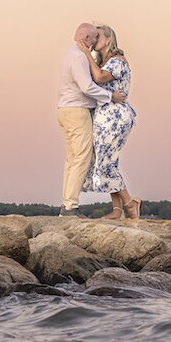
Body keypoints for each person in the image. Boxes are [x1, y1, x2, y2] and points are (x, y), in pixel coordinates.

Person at [57, 23, 126, 216]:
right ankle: (71, 206)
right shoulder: (79, 56)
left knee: (72, 159)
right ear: (86, 38)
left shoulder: (71, 53)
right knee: (82, 158)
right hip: (76, 111)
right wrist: (110, 96)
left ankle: (66, 205)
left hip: (65, 110)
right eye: (94, 37)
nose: (96, 41)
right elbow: (87, 87)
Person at [82, 25, 140, 220]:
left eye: (97, 36)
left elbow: (99, 78)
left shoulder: (117, 61)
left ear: (108, 39)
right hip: (103, 116)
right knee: (107, 160)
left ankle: (130, 203)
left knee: (105, 162)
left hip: (115, 116)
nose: (93, 38)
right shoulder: (103, 62)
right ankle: (117, 210)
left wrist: (85, 53)